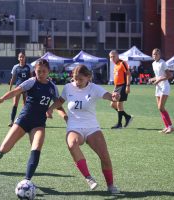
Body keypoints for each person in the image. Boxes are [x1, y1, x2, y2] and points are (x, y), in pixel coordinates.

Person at [46, 64, 120, 194]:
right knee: (72, 144)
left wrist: (114, 97)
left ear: (88, 77)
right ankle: (89, 178)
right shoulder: (68, 87)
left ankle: (111, 185)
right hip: (74, 126)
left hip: (92, 127)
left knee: (105, 156)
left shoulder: (94, 88)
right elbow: (60, 101)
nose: (77, 82)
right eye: (75, 79)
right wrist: (50, 109)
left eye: (80, 79)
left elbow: (108, 95)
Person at [0, 59, 66, 181]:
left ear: (48, 71)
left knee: (36, 148)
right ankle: (0, 150)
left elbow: (58, 104)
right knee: (5, 148)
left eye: (43, 71)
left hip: (39, 124)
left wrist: (64, 116)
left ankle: (27, 180)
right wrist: (1, 99)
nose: (41, 73)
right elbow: (15, 91)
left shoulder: (52, 87)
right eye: (38, 71)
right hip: (23, 121)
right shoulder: (31, 82)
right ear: (34, 71)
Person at [149, 48, 174, 134]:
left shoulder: (163, 63)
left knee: (161, 107)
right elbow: (158, 76)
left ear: (160, 55)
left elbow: (169, 75)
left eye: (156, 54)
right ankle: (167, 126)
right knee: (160, 108)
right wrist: (152, 79)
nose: (155, 56)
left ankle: (171, 127)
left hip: (164, 87)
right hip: (158, 87)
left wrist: (159, 81)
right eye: (153, 54)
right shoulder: (153, 63)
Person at [109, 50, 133, 129]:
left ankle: (119, 124)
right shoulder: (115, 66)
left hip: (123, 85)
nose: (112, 58)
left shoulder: (123, 63)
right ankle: (127, 117)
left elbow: (128, 74)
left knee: (119, 104)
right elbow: (116, 78)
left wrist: (128, 86)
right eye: (111, 57)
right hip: (117, 87)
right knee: (112, 104)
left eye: (113, 56)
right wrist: (114, 89)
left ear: (117, 56)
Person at [8, 52, 33, 127]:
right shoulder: (15, 67)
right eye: (20, 57)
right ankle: (12, 121)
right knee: (15, 104)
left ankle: (26, 121)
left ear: (25, 58)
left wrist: (32, 88)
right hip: (18, 87)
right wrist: (10, 89)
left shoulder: (29, 66)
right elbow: (13, 79)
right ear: (18, 58)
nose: (21, 58)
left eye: (23, 57)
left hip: (27, 88)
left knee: (26, 105)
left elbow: (32, 78)